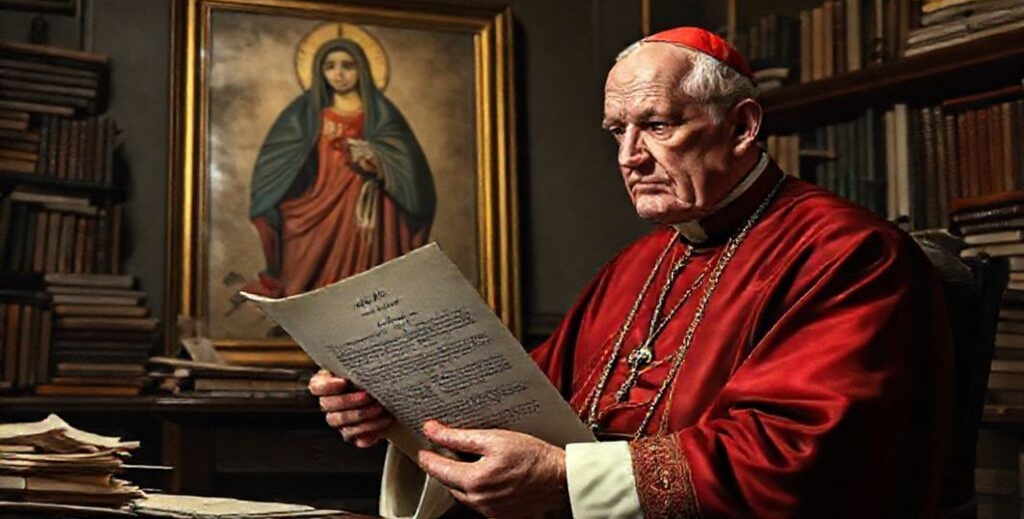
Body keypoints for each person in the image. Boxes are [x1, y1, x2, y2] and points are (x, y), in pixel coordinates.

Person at [309, 27, 953, 518]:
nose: (629, 157)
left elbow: (799, 456)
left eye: (657, 126)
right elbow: (526, 406)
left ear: (743, 127)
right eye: (616, 131)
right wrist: (399, 411)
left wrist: (566, 480)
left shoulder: (847, 254)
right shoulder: (637, 264)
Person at [245, 38, 436, 298]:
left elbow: (407, 165)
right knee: (300, 255)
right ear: (319, 72)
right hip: (319, 204)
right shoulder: (306, 113)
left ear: (362, 70)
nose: (339, 74)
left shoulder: (380, 114)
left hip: (365, 212)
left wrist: (377, 157)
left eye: (348, 66)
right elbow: (281, 160)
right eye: (330, 66)